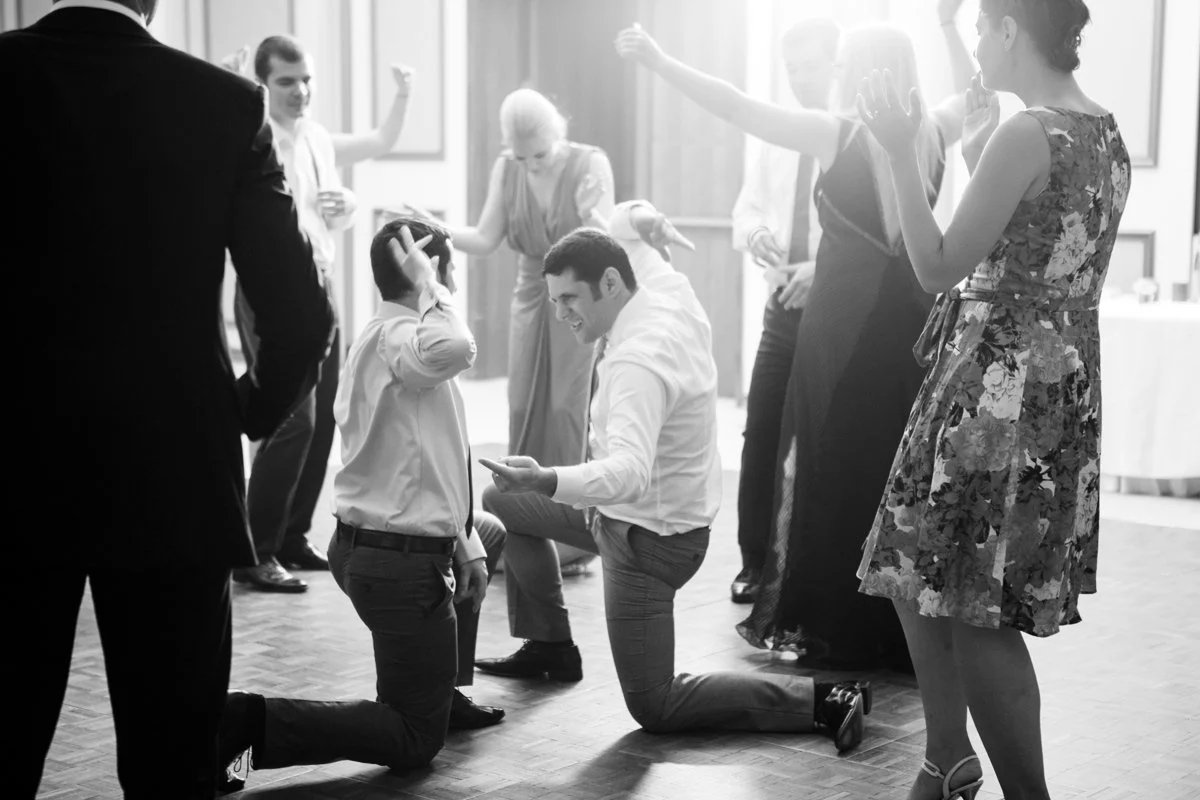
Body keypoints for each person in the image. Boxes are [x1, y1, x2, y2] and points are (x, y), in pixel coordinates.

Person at [10, 1, 335, 797]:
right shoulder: (220, 103)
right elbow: (300, 311)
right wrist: (245, 413)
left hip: (9, 463)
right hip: (174, 467)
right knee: (171, 762)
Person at [616, 4, 974, 671]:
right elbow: (977, 94)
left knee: (831, 466)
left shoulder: (834, 133)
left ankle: (835, 619)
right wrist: (952, 29)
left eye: (844, 64)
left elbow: (732, 105)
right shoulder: (933, 131)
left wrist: (660, 63)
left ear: (861, 73)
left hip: (840, 324)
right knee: (895, 474)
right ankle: (896, 629)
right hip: (908, 326)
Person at [855, 1, 1126, 797]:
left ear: (1011, 29)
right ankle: (948, 757)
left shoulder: (1028, 131)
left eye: (980, 26)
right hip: (1051, 384)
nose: (974, 42)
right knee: (913, 568)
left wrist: (901, 154)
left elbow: (936, 265)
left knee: (976, 610)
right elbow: (1035, 244)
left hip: (997, 390)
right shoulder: (1103, 130)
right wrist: (972, 156)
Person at [474, 228, 871, 752]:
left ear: (610, 283)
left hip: (648, 542)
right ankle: (549, 644)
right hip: (629, 516)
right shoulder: (666, 293)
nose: (562, 313)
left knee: (654, 704)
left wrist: (546, 478)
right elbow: (632, 239)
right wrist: (639, 219)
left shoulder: (638, 362)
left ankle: (826, 699)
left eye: (570, 298)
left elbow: (630, 473)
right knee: (502, 502)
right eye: (554, 301)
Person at [219, 218, 507, 792]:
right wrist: (432, 287)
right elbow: (458, 345)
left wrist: (465, 542)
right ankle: (244, 724)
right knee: (413, 742)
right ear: (432, 270)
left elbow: (427, 460)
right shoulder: (406, 341)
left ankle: (439, 688)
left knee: (489, 532)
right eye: (443, 273)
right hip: (395, 564)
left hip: (373, 544)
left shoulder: (387, 337)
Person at [231, 35, 416, 592]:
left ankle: (289, 536)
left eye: (306, 79)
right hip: (269, 290)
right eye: (287, 81)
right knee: (293, 419)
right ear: (263, 83)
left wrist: (349, 204)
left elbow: (367, 159)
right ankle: (251, 550)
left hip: (321, 283)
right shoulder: (247, 131)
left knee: (328, 414)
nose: (301, 90)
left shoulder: (315, 137)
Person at [434, 89, 613, 576]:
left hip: (577, 293)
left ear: (558, 132)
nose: (530, 164)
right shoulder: (506, 168)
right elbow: (487, 238)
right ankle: (523, 525)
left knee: (565, 405)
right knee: (520, 404)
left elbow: (608, 237)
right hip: (530, 295)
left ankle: (573, 532)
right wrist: (439, 227)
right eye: (521, 156)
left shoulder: (590, 163)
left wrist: (594, 212)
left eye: (540, 154)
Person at [728, 17, 840, 604]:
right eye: (791, 68)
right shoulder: (776, 136)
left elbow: (874, 240)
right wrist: (758, 236)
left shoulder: (852, 136)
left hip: (835, 312)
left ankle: (813, 568)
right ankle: (754, 561)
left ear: (837, 64)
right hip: (780, 305)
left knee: (823, 440)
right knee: (761, 431)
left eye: (810, 66)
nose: (799, 78)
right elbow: (745, 211)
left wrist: (822, 269)